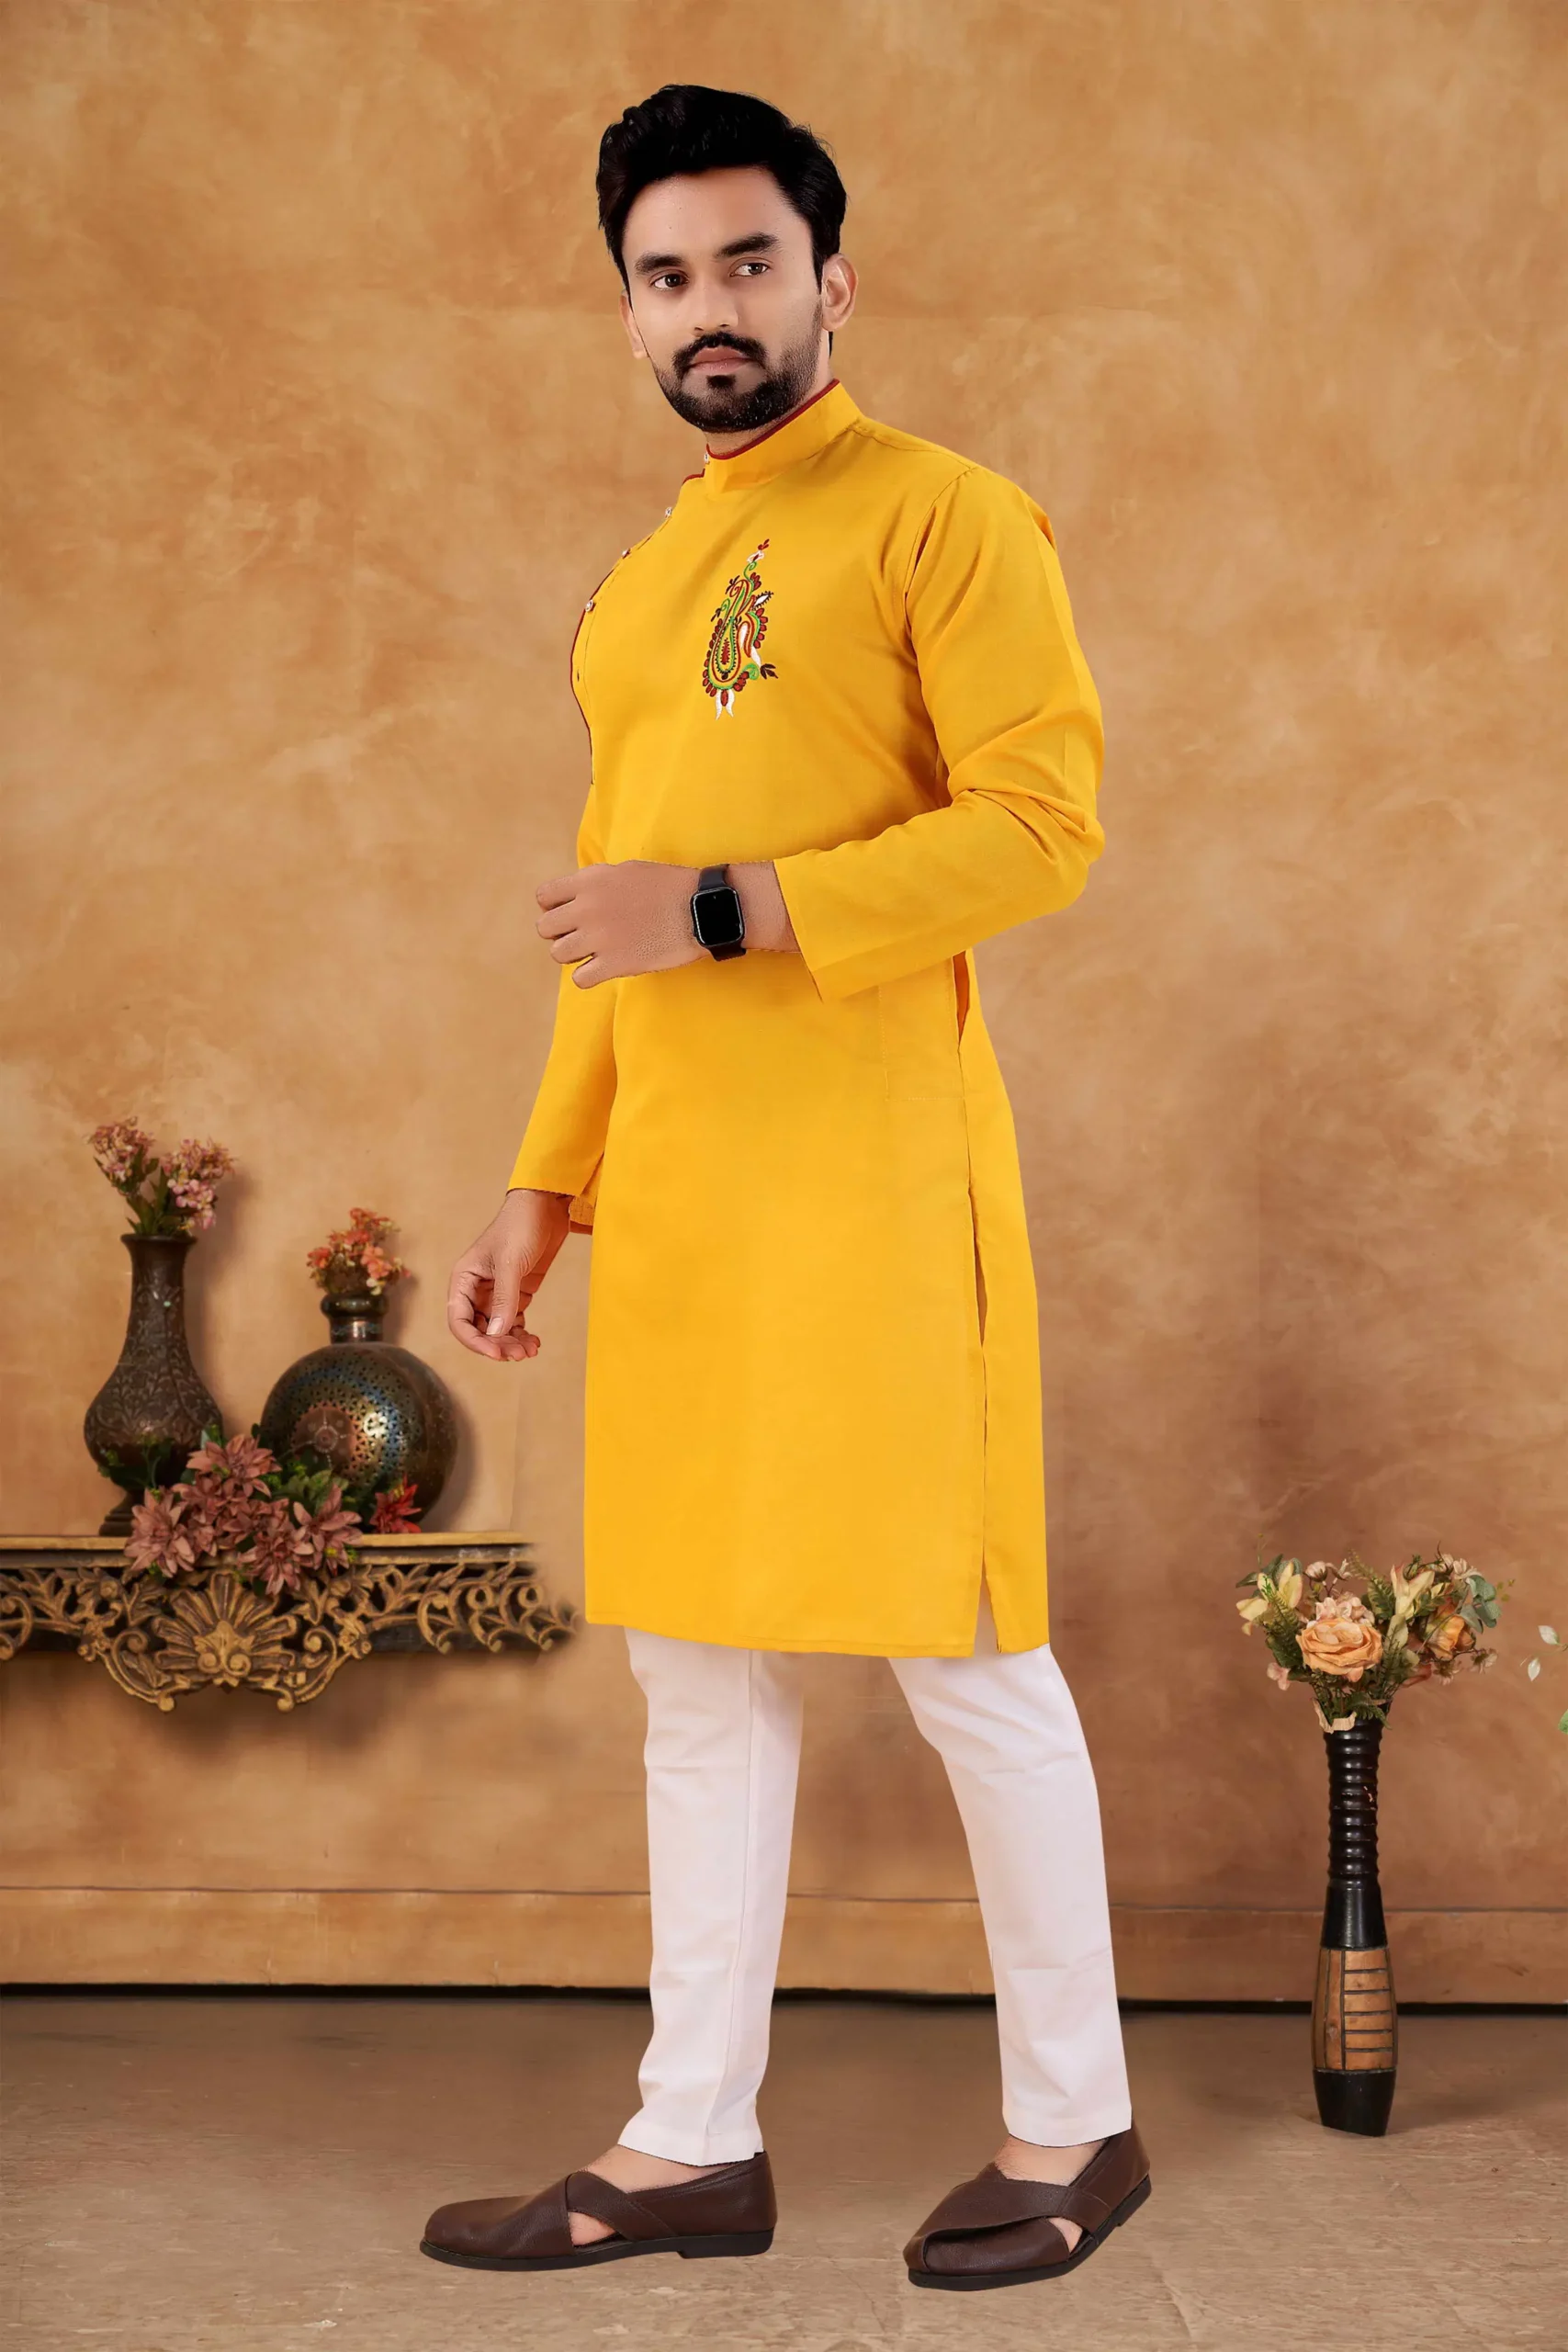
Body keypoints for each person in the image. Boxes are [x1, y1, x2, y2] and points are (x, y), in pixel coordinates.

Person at [422, 83, 1149, 2291]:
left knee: (963, 1654)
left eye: (747, 261)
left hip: (873, 1190)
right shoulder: (641, 584)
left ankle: (1074, 2122)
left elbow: (1041, 822)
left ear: (834, 279)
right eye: (665, 276)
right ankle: (687, 2143)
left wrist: (734, 905)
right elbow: (611, 913)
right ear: (629, 311)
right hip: (685, 1209)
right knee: (698, 1668)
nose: (708, 307)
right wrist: (548, 1178)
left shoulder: (945, 518)